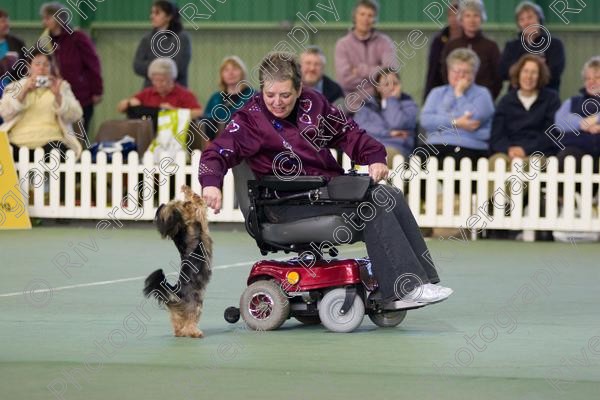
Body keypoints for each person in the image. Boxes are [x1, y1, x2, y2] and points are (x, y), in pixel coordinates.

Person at [199, 52, 452, 307]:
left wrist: (374, 156)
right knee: (373, 203)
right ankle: (404, 288)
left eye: (285, 95)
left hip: (322, 191)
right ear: (262, 89)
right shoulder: (250, 119)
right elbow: (216, 152)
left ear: (299, 89)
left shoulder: (313, 102)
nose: (277, 102)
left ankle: (423, 281)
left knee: (389, 194)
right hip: (286, 201)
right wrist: (211, 183)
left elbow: (347, 133)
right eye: (270, 95)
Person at [0, 49, 82, 161]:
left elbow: (76, 115)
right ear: (29, 67)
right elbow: (4, 113)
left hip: (51, 141)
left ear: (51, 68)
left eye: (46, 65)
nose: (41, 68)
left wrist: (58, 96)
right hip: (17, 142)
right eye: (37, 64)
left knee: (58, 153)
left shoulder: (62, 87)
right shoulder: (14, 87)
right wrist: (23, 92)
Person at [421, 48, 494, 164]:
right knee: (417, 159)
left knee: (452, 162)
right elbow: (426, 120)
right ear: (449, 71)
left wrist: (459, 94)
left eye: (466, 72)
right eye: (456, 71)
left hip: (469, 146)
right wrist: (456, 122)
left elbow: (474, 120)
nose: (460, 75)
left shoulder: (482, 94)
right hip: (435, 144)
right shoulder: (437, 92)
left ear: (474, 74)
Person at [40, 2, 103, 134]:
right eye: (44, 18)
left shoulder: (78, 38)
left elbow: (93, 63)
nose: (44, 22)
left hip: (81, 95)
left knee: (78, 133)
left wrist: (97, 90)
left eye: (48, 18)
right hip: (58, 95)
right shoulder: (46, 41)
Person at [491, 54, 561, 160]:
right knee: (496, 162)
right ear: (518, 74)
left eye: (534, 73)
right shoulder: (506, 101)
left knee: (527, 165)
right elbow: (496, 135)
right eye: (525, 71)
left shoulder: (551, 99)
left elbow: (552, 134)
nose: (529, 77)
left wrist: (525, 149)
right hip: (508, 151)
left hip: (539, 153)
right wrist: (509, 149)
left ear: (540, 76)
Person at [334, 0, 398, 100]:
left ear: (375, 19)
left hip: (380, 103)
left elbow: (390, 75)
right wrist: (377, 81)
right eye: (362, 14)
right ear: (355, 17)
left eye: (370, 15)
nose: (366, 19)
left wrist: (359, 70)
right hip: (352, 106)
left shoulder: (385, 42)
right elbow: (344, 81)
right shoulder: (342, 45)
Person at [353, 68, 418, 166]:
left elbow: (395, 123)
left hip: (396, 148)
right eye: (386, 84)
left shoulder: (409, 105)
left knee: (382, 157)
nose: (391, 88)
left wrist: (391, 99)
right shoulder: (368, 105)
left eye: (395, 84)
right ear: (378, 87)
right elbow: (358, 126)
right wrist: (388, 133)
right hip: (371, 147)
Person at [440, 0, 502, 100]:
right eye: (467, 15)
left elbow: (498, 78)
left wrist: (487, 97)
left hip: (482, 100)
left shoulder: (491, 47)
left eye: (476, 15)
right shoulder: (451, 46)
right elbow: (445, 73)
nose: (472, 20)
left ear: (482, 18)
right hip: (454, 99)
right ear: (461, 19)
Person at [499, 1, 565, 93]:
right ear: (519, 25)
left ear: (539, 19)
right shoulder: (511, 46)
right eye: (521, 20)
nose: (526, 22)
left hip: (546, 97)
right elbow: (503, 72)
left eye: (530, 17)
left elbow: (554, 73)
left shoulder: (554, 44)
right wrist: (539, 66)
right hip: (516, 97)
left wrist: (517, 69)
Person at [554, 56, 600, 171]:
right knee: (565, 159)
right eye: (587, 78)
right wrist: (583, 123)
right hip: (576, 151)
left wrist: (597, 120)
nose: (591, 81)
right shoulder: (573, 101)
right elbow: (559, 122)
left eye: (597, 77)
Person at [118, 57, 203, 120]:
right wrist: (128, 102)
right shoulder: (147, 93)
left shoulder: (184, 94)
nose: (159, 84)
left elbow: (199, 113)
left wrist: (175, 112)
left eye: (163, 80)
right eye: (155, 80)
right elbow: (120, 108)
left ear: (172, 79)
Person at [133, 0, 191, 88]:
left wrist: (152, 66)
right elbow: (137, 66)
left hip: (176, 91)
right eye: (152, 13)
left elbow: (179, 68)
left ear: (169, 16)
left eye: (157, 13)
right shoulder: (146, 39)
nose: (152, 16)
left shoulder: (182, 38)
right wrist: (164, 65)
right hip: (151, 91)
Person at [423, 0, 461, 101]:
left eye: (457, 15)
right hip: (441, 88)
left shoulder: (468, 40)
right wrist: (427, 95)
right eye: (451, 16)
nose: (454, 19)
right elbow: (432, 70)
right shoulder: (439, 40)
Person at [203, 56, 254, 126]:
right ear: (222, 75)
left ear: (242, 73)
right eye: (226, 70)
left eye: (235, 69)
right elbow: (206, 122)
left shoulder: (253, 96)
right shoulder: (215, 98)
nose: (230, 73)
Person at [0, 9, 25, 100]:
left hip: (12, 92)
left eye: (7, 21)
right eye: (3, 21)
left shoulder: (18, 43)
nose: (6, 24)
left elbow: (24, 68)